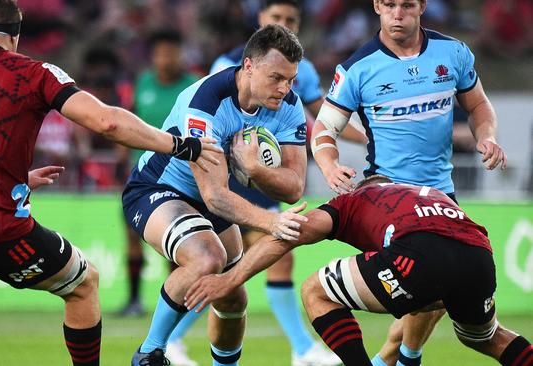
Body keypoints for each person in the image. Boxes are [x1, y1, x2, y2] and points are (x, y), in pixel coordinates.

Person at [0, 1, 220, 366]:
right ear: (15, 37)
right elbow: (106, 122)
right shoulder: (33, 72)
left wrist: (14, 181)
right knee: (83, 284)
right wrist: (179, 144)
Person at [310, 0, 508, 364]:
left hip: (440, 197)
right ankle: (399, 357)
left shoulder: (453, 53)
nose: (397, 14)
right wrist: (328, 164)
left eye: (406, 5)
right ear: (376, 6)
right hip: (388, 199)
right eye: (389, 5)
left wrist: (488, 136)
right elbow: (323, 128)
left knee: (432, 290)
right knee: (428, 289)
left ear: (422, 6)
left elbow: (479, 106)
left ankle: (400, 357)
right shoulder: (357, 68)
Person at [164, 2, 361, 365]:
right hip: (226, 170)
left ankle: (297, 347)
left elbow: (322, 115)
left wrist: (367, 137)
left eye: (291, 20)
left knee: (254, 265)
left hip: (259, 169)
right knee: (232, 264)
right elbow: (213, 117)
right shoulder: (227, 65)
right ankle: (172, 340)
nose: (284, 24)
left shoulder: (302, 73)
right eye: (277, 19)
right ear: (260, 22)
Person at [185, 175, 533, 366]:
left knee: (315, 291)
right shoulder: (429, 195)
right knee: (486, 337)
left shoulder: (352, 200)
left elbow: (289, 235)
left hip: (419, 250)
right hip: (479, 255)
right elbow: (438, 278)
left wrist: (229, 278)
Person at [122, 24, 309, 366]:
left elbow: (295, 186)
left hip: (211, 196)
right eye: (276, 77)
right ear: (248, 66)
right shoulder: (206, 102)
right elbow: (216, 198)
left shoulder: (289, 105)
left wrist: (257, 171)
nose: (284, 88)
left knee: (233, 298)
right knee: (208, 258)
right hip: (159, 188)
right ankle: (149, 353)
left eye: (291, 79)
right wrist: (272, 221)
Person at [118, 28, 202, 319]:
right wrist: (121, 160)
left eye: (171, 52)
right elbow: (128, 120)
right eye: (160, 53)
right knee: (130, 239)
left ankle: (176, 303)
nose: (165, 59)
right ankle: (133, 300)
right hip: (140, 177)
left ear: (181, 55)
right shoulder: (143, 83)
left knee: (178, 245)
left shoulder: (194, 86)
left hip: (180, 181)